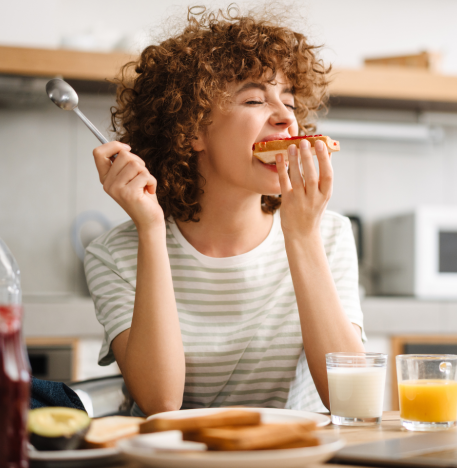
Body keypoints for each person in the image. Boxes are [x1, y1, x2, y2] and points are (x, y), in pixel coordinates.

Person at [84, 6, 365, 417]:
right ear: (192, 129)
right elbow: (161, 402)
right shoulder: (116, 254)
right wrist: (150, 229)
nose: (286, 117)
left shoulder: (329, 235)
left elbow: (352, 401)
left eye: (288, 101)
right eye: (254, 99)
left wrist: (302, 236)